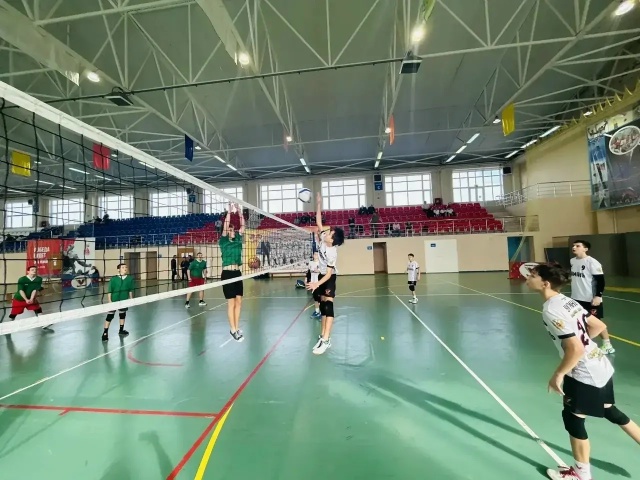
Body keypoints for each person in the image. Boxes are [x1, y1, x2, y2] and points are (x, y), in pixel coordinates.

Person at [525, 263, 640, 480]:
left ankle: (581, 474)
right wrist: (584, 342)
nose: (527, 278)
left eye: (532, 275)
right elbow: (598, 326)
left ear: (545, 283)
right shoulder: (567, 301)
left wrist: (558, 374)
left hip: (584, 372)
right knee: (610, 410)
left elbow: (575, 349)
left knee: (573, 419)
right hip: (600, 363)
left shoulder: (551, 309)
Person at [306, 192, 345, 355]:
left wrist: (316, 283)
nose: (327, 233)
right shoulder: (323, 237)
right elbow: (319, 222)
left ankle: (327, 340)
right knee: (322, 306)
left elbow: (329, 275)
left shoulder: (332, 253)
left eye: (330, 234)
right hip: (321, 275)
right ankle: (322, 336)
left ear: (332, 240)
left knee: (328, 305)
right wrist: (318, 204)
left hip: (329, 277)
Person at [570, 240, 614, 354]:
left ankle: (607, 345)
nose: (574, 247)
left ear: (585, 249)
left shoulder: (592, 262)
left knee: (596, 322)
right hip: (576, 298)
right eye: (573, 246)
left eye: (578, 246)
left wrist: (598, 296)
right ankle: (586, 344)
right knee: (580, 322)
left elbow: (600, 281)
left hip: (590, 299)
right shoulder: (572, 261)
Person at [219, 202, 245, 342]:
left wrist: (239, 211)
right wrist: (229, 212)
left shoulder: (238, 239)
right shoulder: (223, 241)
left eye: (232, 229)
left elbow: (243, 226)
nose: (231, 231)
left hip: (237, 273)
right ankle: (233, 329)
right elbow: (225, 226)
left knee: (239, 301)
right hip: (227, 274)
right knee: (231, 303)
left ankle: (237, 326)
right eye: (229, 229)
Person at [102, 263, 135, 341]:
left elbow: (130, 289)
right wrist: (110, 301)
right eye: (123, 267)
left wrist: (131, 299)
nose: (125, 268)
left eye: (126, 267)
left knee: (122, 315)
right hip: (114, 300)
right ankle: (105, 333)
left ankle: (121, 330)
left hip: (124, 300)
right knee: (109, 316)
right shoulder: (114, 279)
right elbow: (110, 290)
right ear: (118, 269)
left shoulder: (130, 278)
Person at [307, 250, 321, 320]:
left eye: (317, 254)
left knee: (320, 299)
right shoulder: (311, 263)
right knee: (315, 299)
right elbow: (308, 272)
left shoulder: (321, 263)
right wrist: (307, 279)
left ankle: (322, 313)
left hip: (319, 284)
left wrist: (319, 271)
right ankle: (317, 311)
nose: (315, 255)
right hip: (313, 284)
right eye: (314, 254)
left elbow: (325, 272)